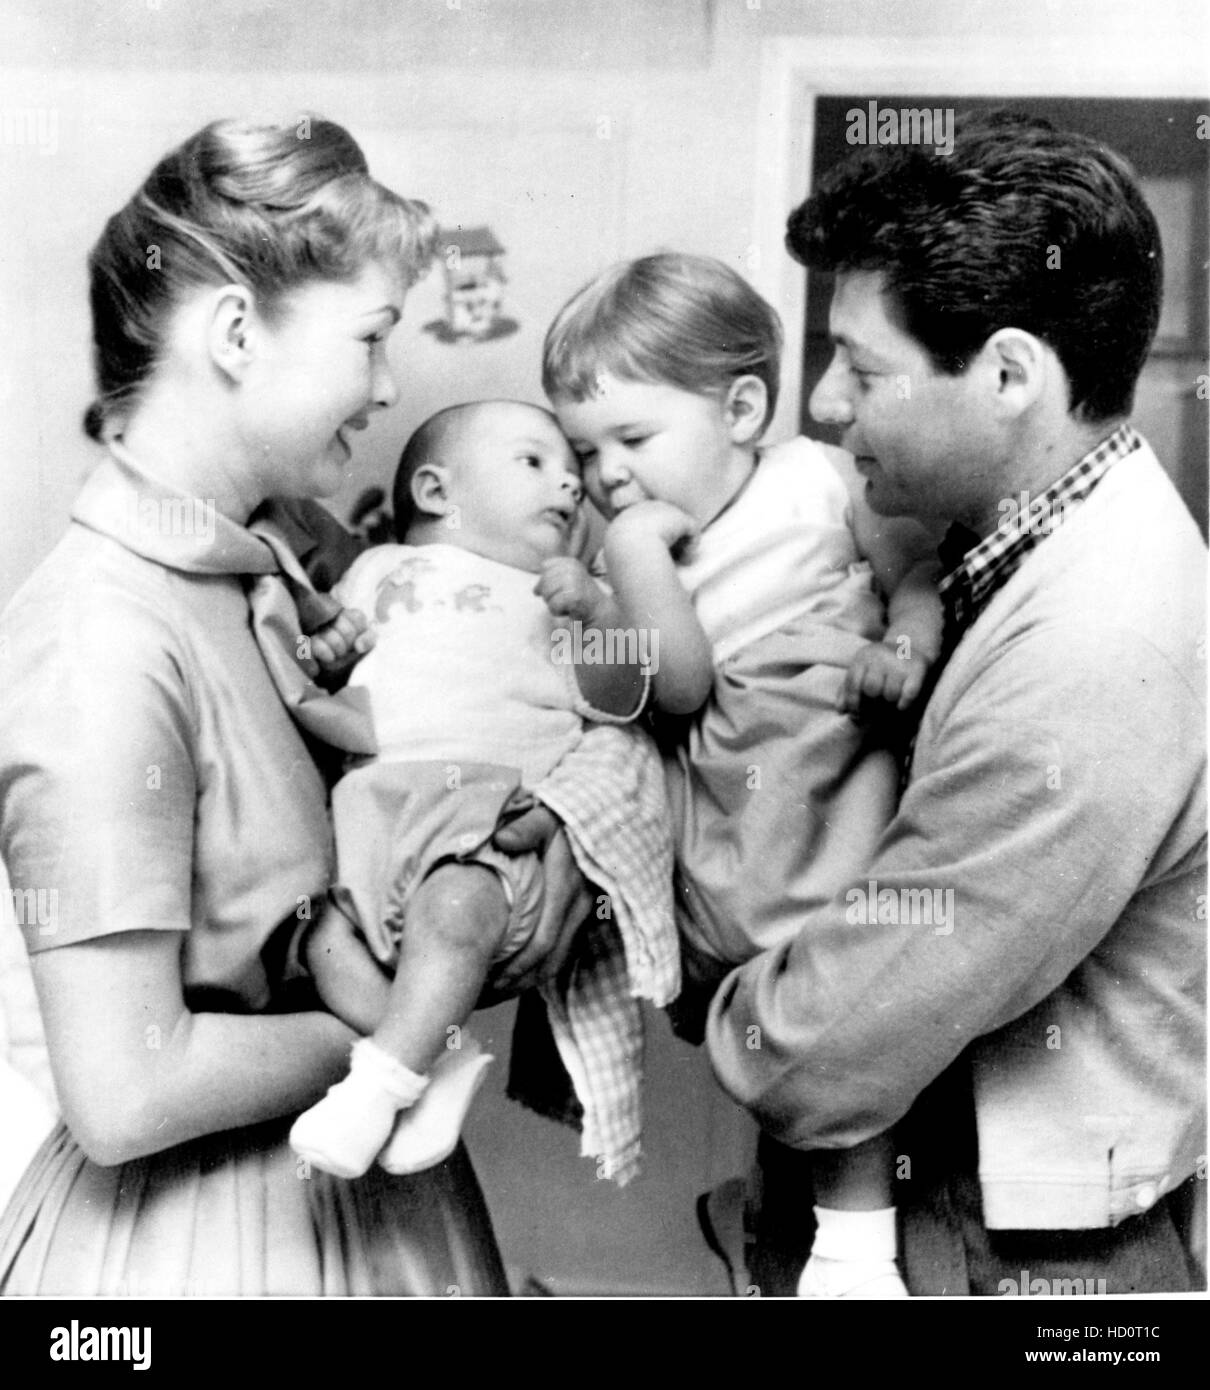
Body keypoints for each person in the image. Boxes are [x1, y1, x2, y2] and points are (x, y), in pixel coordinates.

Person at [0, 116, 582, 1296]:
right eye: (369, 339)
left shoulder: (271, 577)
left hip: (361, 1213)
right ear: (232, 331)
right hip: (208, 1256)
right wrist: (406, 1026)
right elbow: (124, 1091)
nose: (383, 386)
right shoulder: (103, 637)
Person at [702, 111, 1206, 1296]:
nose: (823, 405)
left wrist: (723, 1002)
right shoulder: (1004, 548)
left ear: (1010, 373)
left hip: (1008, 1261)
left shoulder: (1096, 642)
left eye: (863, 369)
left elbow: (830, 1043)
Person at [541, 252, 945, 1296]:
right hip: (728, 812)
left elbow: (916, 580)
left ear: (742, 406)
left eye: (632, 438)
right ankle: (776, 1214)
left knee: (847, 997)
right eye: (586, 452)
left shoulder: (820, 477)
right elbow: (671, 690)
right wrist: (623, 567)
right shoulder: (626, 550)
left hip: (831, 779)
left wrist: (899, 647)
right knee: (766, 1001)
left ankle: (850, 1246)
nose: (608, 474)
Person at [288, 400, 678, 1185]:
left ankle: (379, 1086)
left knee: (456, 910)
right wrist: (326, 649)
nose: (571, 485)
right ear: (436, 492)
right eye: (536, 463)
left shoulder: (555, 596)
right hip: (369, 813)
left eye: (573, 475)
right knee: (319, 941)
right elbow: (330, 663)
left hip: (487, 816)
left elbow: (623, 701)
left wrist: (600, 616)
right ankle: (438, 1057)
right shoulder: (371, 569)